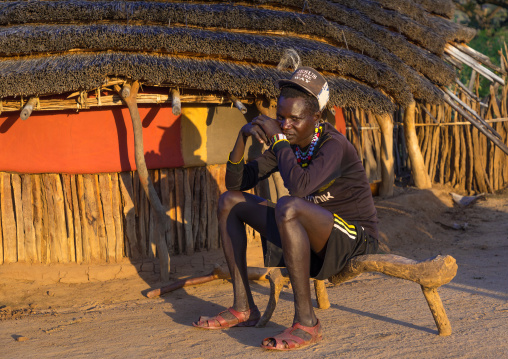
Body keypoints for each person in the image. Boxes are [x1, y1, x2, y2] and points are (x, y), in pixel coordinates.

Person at [193, 67, 379, 350]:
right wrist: (242, 137)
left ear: (316, 118)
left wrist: (279, 143)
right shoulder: (289, 145)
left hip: (354, 237)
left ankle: (307, 322)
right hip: (312, 237)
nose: (286, 124)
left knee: (289, 206)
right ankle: (243, 307)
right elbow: (237, 183)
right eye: (281, 117)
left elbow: (300, 187)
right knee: (229, 202)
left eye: (294, 118)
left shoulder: (333, 145)